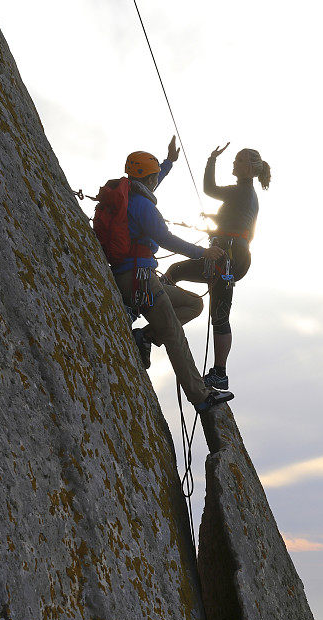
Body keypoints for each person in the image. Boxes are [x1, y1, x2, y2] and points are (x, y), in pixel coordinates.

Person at [111, 137, 233, 413]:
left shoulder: (130, 192)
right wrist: (203, 253)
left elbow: (153, 180)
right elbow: (164, 237)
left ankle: (144, 337)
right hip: (140, 278)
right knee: (174, 334)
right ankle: (200, 397)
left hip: (131, 274)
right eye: (156, 176)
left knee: (194, 303)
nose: (157, 181)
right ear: (149, 178)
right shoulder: (143, 206)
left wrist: (169, 162)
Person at [163, 143, 271, 391]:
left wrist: (211, 160)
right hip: (233, 254)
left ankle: (152, 311)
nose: (233, 163)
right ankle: (219, 372)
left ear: (248, 169)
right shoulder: (245, 194)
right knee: (219, 313)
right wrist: (214, 221)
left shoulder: (242, 191)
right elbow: (235, 220)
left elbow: (209, 189)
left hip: (228, 255)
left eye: (237, 161)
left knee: (177, 272)